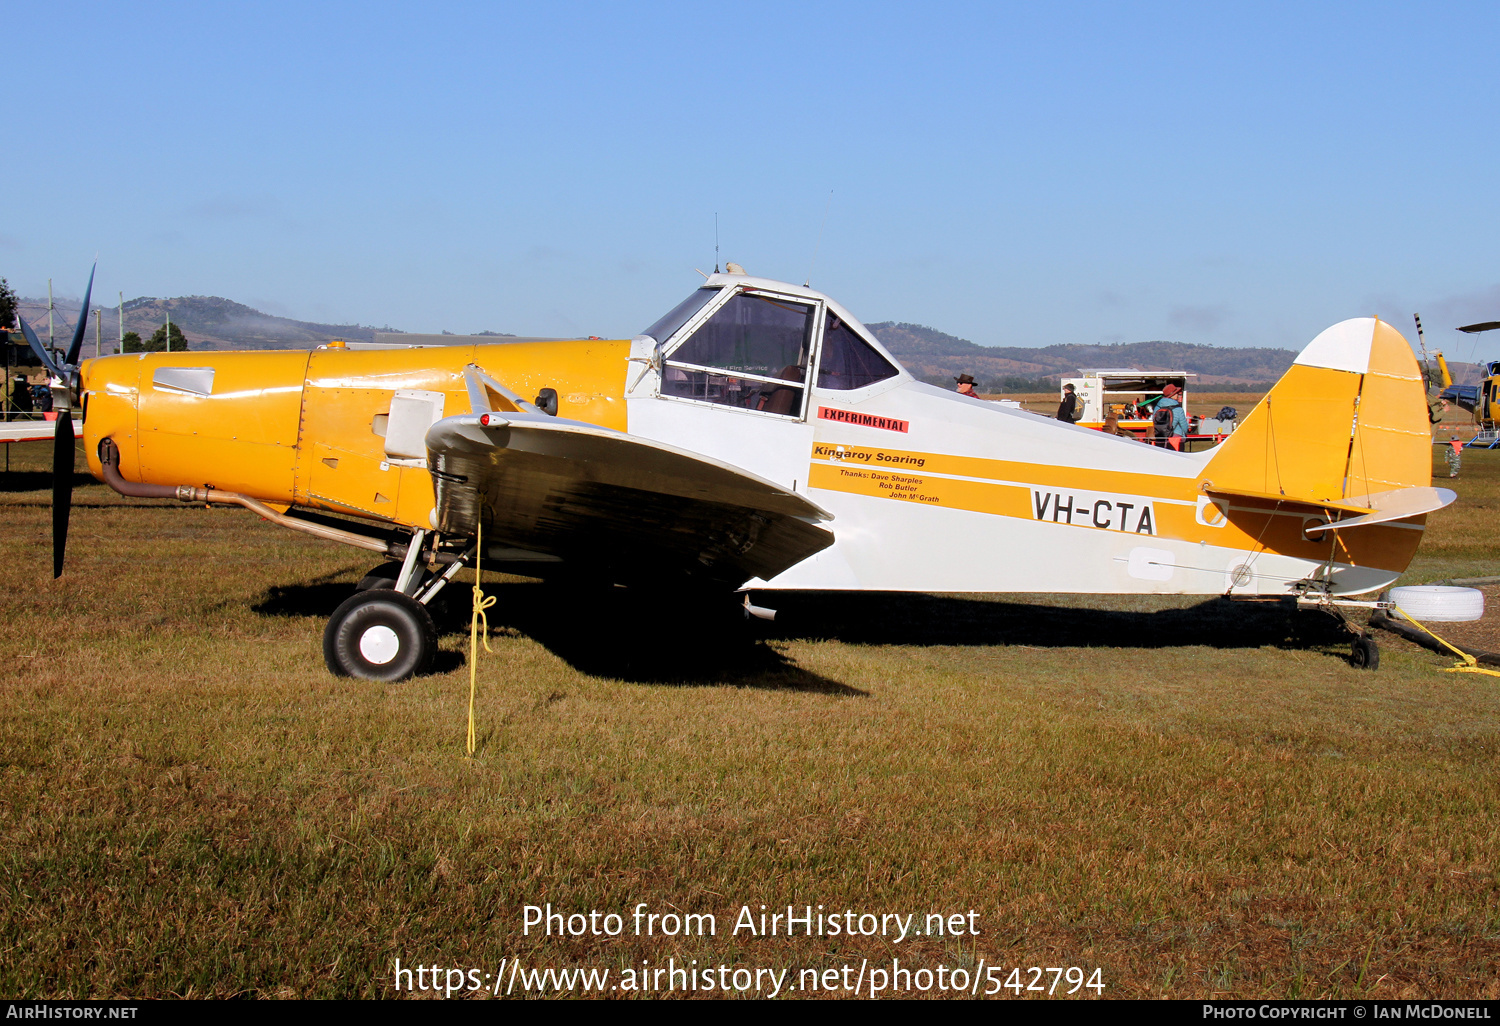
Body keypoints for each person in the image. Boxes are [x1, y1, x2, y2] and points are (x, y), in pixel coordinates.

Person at [1154, 383, 1188, 450]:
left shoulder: (1157, 407)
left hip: (1160, 436)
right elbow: (1184, 426)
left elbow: (1154, 420)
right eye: (1177, 393)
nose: (1178, 395)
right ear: (1173, 395)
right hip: (1175, 438)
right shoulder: (1178, 409)